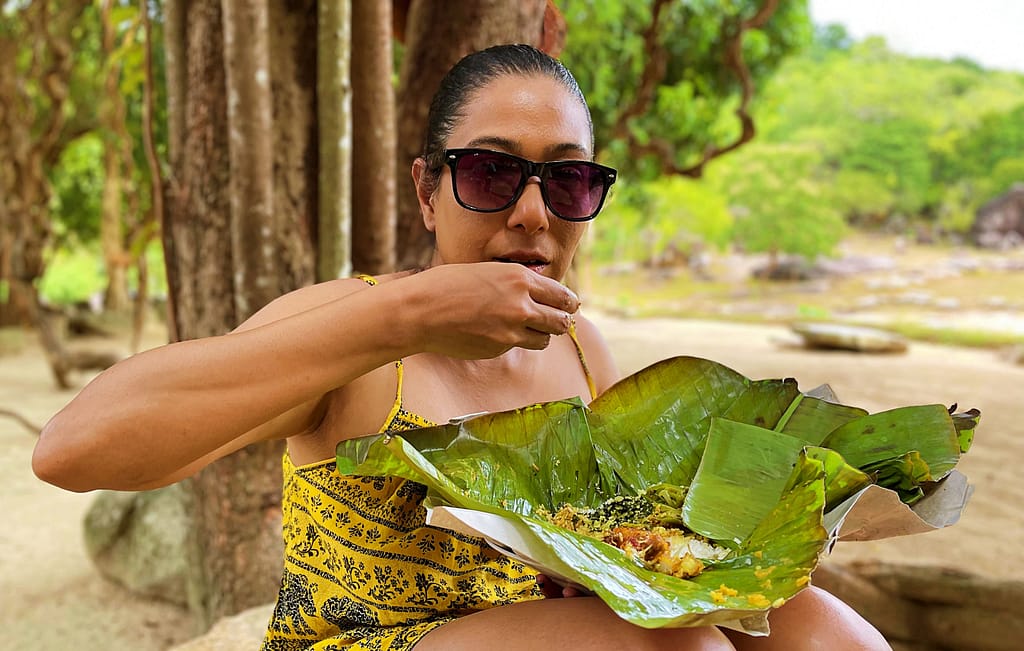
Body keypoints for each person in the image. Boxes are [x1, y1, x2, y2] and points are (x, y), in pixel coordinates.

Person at [33, 44, 889, 651]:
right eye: (489, 171)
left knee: (824, 629)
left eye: (568, 179)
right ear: (427, 191)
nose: (532, 213)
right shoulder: (361, 327)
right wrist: (404, 315)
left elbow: (625, 551)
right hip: (365, 643)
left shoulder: (584, 350)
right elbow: (71, 449)